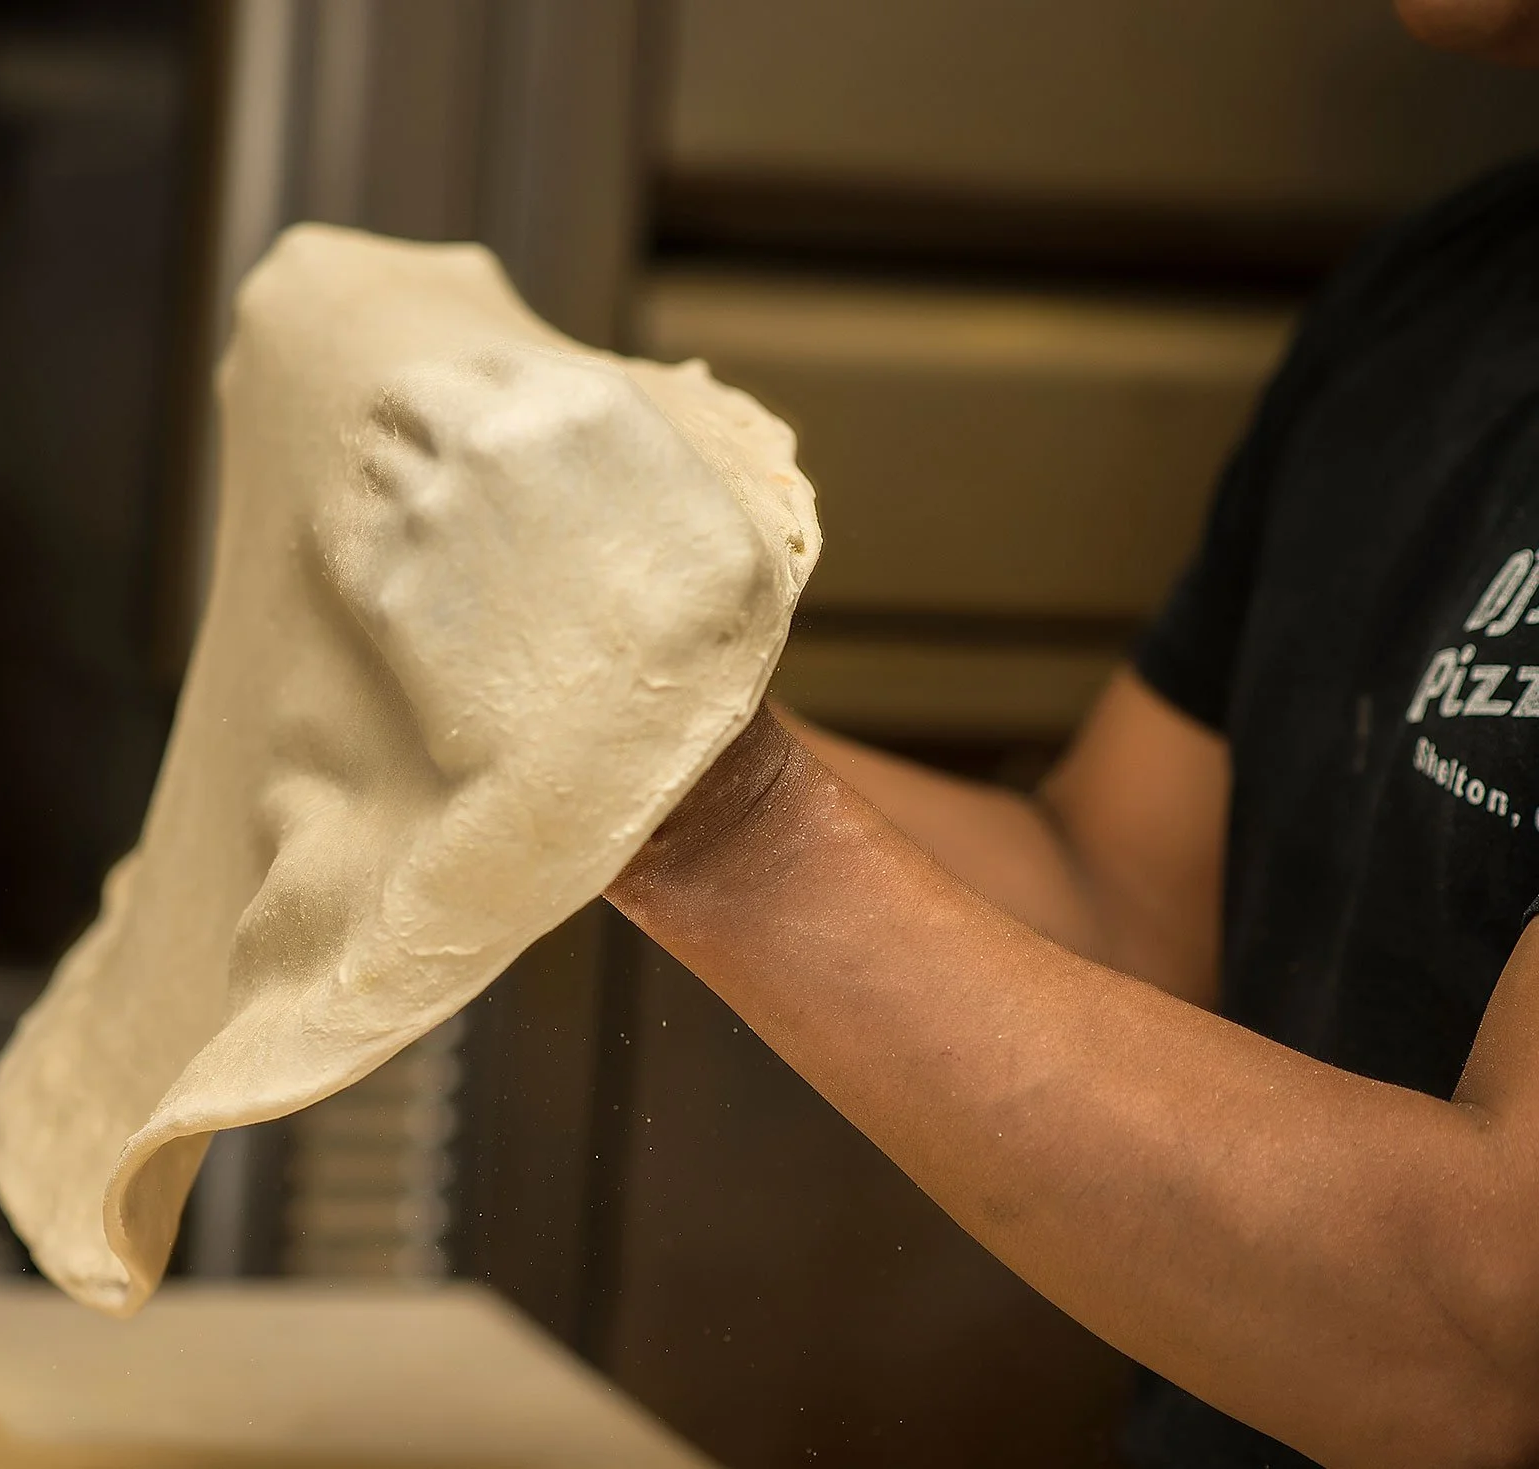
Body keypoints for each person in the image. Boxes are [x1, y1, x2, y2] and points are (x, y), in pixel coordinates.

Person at [596, 6, 1539, 1466]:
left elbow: (1488, 1333)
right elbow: (1127, 900)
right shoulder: (1444, 293)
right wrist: (616, 729)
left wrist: (712, 830)